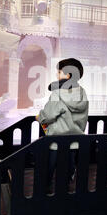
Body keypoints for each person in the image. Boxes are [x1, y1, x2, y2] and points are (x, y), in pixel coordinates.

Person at [37, 58, 89, 195]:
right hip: (74, 138)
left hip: (56, 139)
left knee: (50, 163)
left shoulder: (57, 92)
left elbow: (49, 114)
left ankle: (46, 187)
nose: (56, 75)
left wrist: (40, 117)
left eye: (59, 72)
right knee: (69, 162)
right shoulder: (82, 93)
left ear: (68, 75)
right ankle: (66, 186)